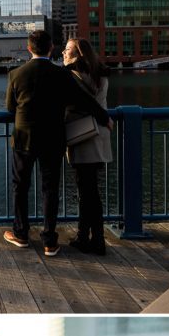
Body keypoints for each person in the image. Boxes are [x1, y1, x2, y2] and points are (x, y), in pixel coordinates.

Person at [4, 29, 112, 257]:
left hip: (25, 138)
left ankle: (21, 234)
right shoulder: (61, 74)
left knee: (20, 187)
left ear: (29, 48)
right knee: (50, 189)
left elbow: (10, 109)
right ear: (51, 47)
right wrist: (104, 118)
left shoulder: (16, 74)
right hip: (53, 139)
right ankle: (49, 241)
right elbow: (86, 101)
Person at [62, 38, 113, 256]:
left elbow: (80, 102)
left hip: (83, 135)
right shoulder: (100, 75)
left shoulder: (72, 76)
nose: (63, 53)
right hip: (99, 135)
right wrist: (105, 118)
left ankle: (96, 240)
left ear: (78, 55)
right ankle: (86, 237)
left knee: (87, 192)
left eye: (68, 50)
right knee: (90, 190)